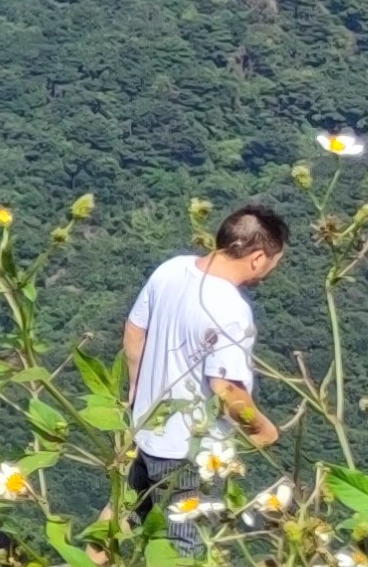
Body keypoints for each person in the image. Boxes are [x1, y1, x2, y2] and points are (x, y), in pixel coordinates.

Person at [120, 202, 289, 525]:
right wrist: (263, 429)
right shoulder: (229, 308)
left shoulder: (172, 269)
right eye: (273, 264)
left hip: (148, 423)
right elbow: (226, 390)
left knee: (126, 507)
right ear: (257, 259)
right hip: (189, 449)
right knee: (177, 545)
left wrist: (136, 390)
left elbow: (134, 330)